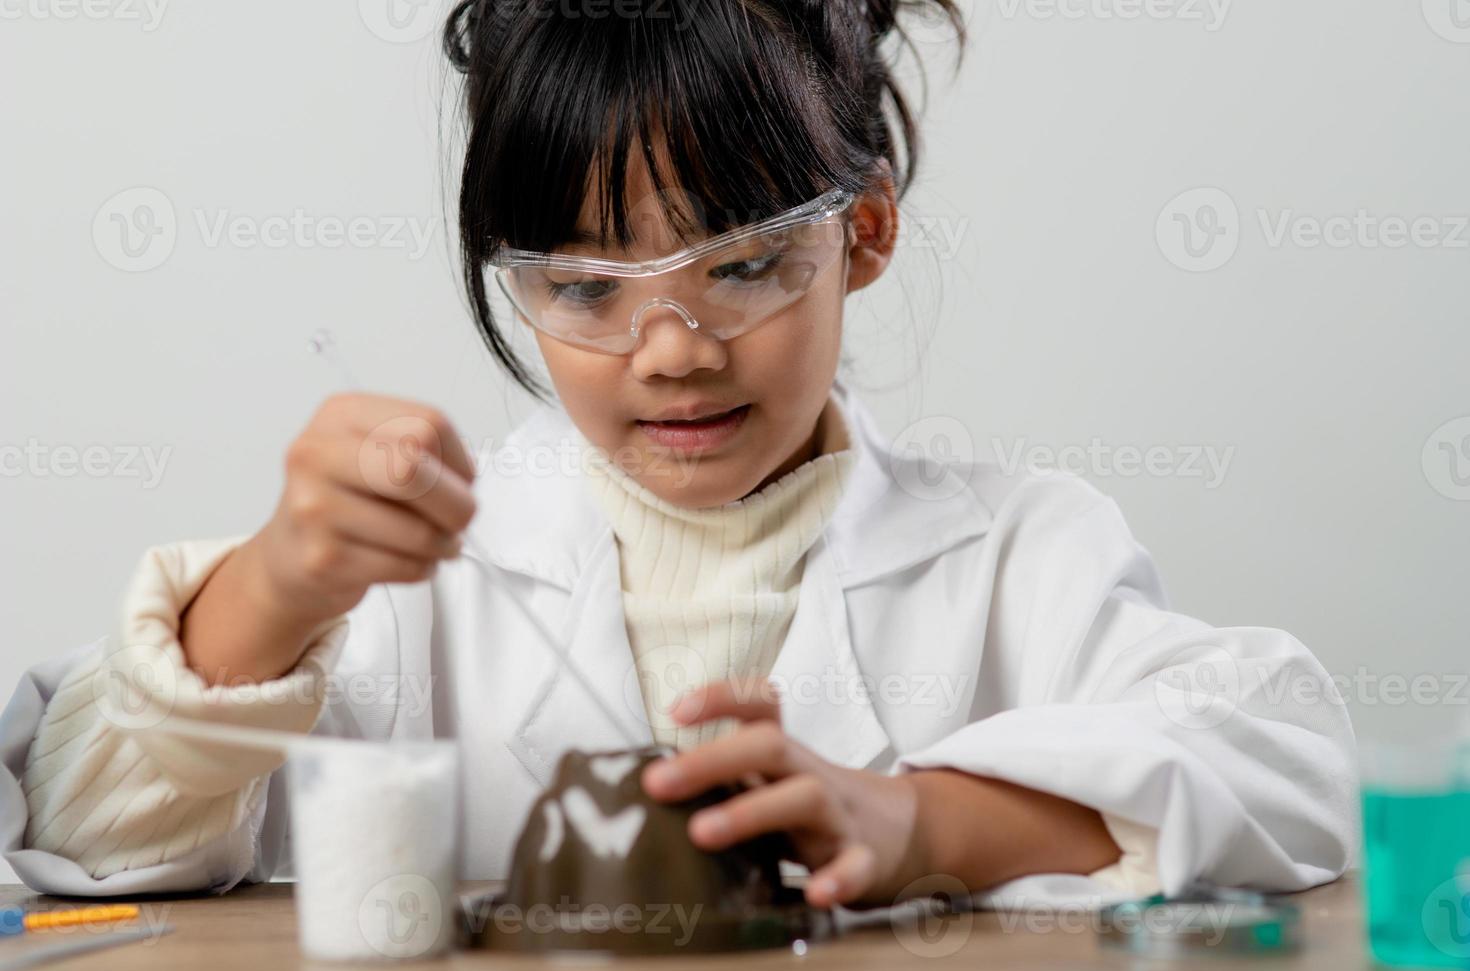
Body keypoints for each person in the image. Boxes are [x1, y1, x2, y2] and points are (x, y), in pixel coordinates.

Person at [1, 0, 1354, 908]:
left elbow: (1285, 763)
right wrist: (275, 590)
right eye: (585, 288)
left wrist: (917, 825)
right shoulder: (409, 589)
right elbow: (75, 836)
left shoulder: (1019, 555)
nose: (670, 350)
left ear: (863, 234)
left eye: (745, 265)